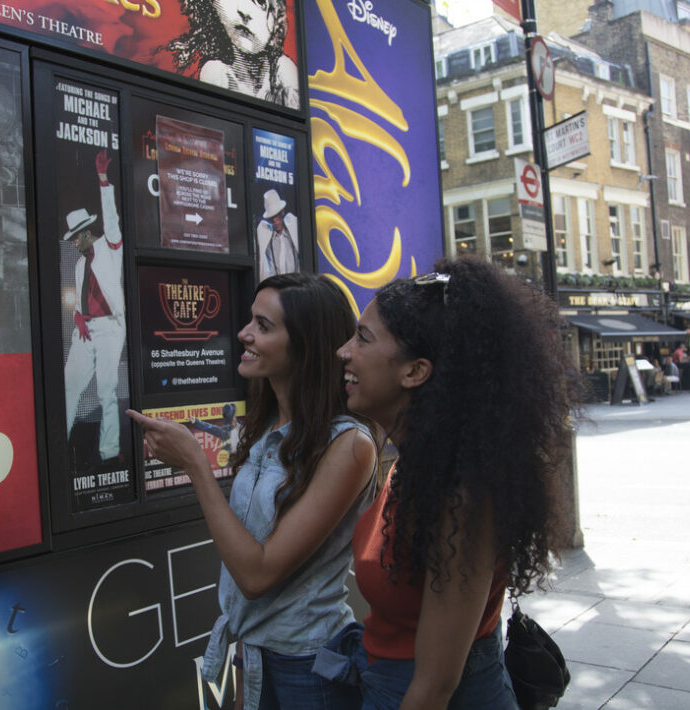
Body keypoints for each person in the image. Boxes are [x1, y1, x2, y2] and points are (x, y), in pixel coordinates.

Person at [333, 256, 576, 710]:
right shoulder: (418, 467)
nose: (344, 351)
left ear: (415, 371)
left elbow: (434, 687)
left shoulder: (460, 495)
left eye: (362, 337)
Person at [127, 273, 377, 710]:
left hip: (310, 669)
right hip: (257, 657)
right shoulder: (266, 424)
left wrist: (195, 467)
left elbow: (257, 574)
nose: (244, 334)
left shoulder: (348, 445)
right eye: (250, 321)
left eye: (263, 326)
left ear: (306, 345)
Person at [64, 149, 126, 465]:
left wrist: (103, 179)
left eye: (77, 237)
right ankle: (59, 442)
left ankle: (109, 452)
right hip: (87, 329)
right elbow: (79, 299)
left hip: (110, 328)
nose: (74, 243)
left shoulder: (110, 246)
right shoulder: (79, 263)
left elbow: (111, 217)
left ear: (87, 232)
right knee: (69, 386)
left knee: (106, 390)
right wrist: (77, 318)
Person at [167, 0, 300, 108]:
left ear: (277, 21)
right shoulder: (216, 73)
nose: (244, 12)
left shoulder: (284, 71)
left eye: (261, 3)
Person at [257, 188, 299, 281]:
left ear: (282, 212)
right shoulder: (267, 237)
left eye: (276, 215)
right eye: (272, 217)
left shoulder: (293, 233)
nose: (275, 220)